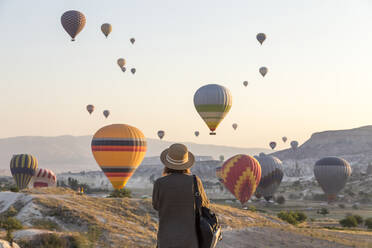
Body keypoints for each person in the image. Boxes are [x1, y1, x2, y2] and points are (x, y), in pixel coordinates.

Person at [152, 143, 210, 248]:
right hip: (190, 238)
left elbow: (156, 206)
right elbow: (204, 204)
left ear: (167, 163)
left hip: (166, 239)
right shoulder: (194, 181)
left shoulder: (159, 182)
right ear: (186, 163)